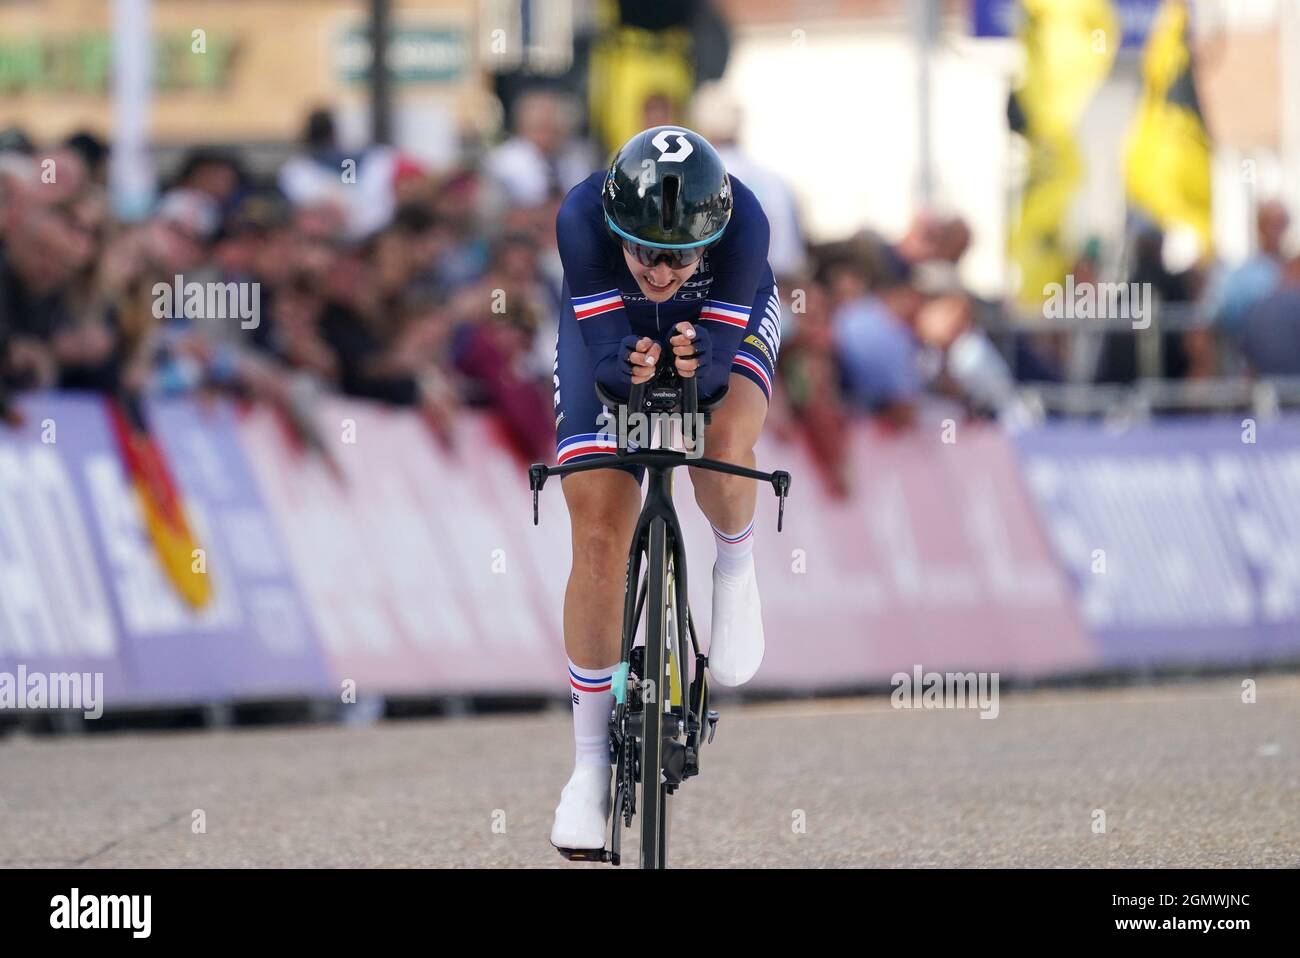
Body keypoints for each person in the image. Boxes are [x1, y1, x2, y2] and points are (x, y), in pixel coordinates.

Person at [549, 126, 779, 852]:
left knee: (720, 441)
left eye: (679, 255)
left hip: (722, 324)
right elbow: (609, 369)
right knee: (596, 532)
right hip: (610, 327)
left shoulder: (745, 222)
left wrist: (699, 364)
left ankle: (735, 567)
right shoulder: (581, 217)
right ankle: (587, 769)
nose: (659, 269)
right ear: (617, 225)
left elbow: (711, 382)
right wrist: (629, 369)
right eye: (645, 249)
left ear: (707, 238)